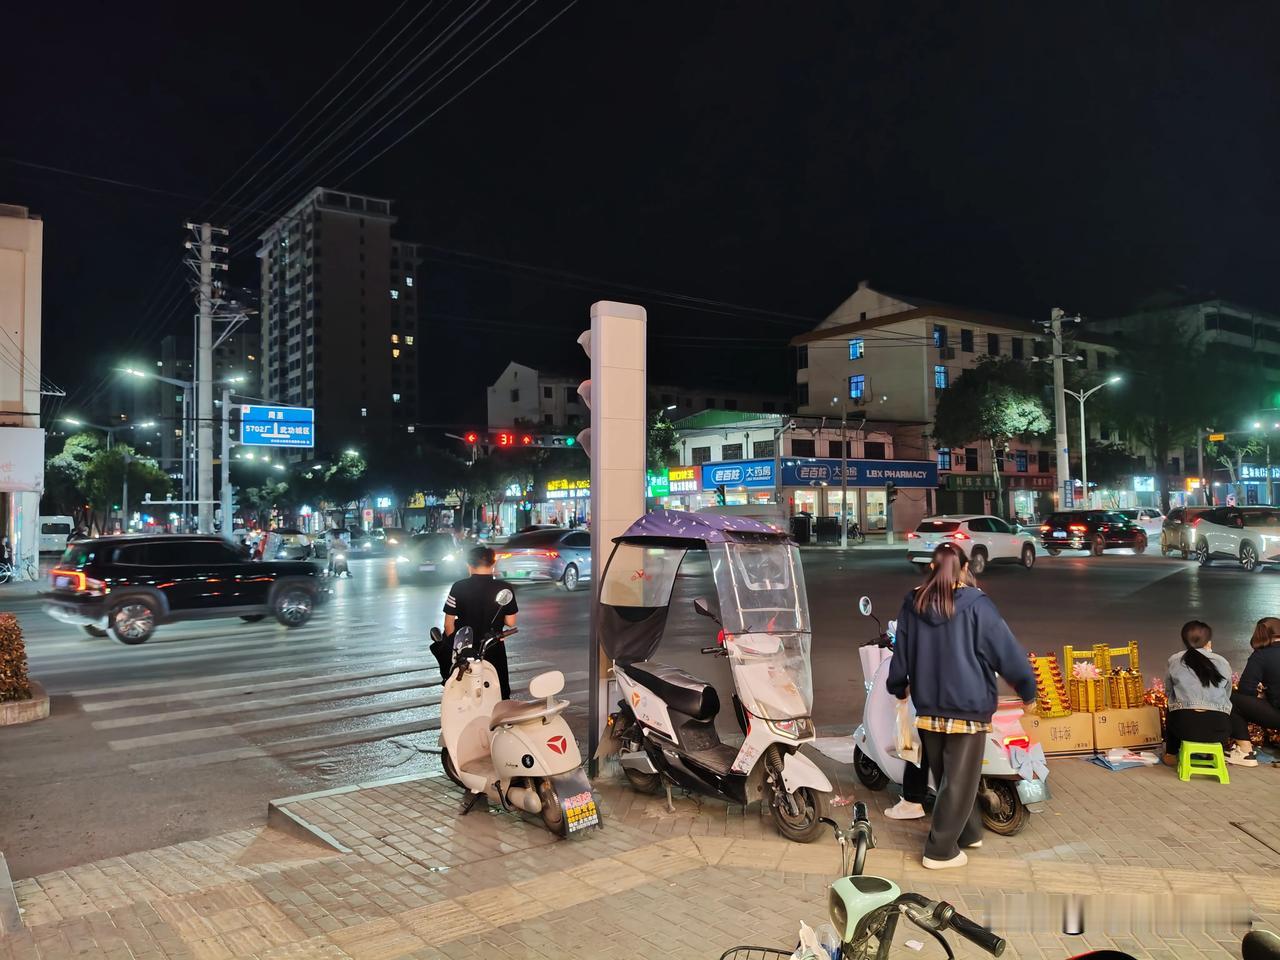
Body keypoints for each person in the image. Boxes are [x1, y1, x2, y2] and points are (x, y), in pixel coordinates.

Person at [886, 542, 1037, 870]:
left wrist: (898, 687)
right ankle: (940, 851)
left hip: (929, 708)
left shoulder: (913, 602)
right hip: (967, 707)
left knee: (949, 781)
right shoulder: (976, 605)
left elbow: (902, 653)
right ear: (965, 569)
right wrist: (1028, 690)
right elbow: (1006, 652)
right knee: (959, 781)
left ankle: (968, 833)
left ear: (931, 568)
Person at [1163, 621, 1249, 765]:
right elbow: (1227, 694)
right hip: (1219, 730)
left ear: (1184, 640)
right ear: (1209, 641)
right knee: (1226, 704)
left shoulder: (1175, 660)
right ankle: (1242, 749)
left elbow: (1169, 691)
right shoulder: (1222, 661)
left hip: (1184, 729)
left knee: (1172, 706)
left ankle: (1171, 754)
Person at [442, 545, 519, 699]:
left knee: (466, 691)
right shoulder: (504, 588)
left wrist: (455, 648)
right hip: (493, 646)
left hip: (466, 648)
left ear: (468, 565)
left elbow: (448, 624)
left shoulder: (458, 587)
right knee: (498, 689)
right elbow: (511, 622)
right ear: (493, 564)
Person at [1229, 617, 1280, 761]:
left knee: (1230, 699)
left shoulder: (1261, 656)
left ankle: (1245, 752)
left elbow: (1246, 689)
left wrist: (1262, 694)